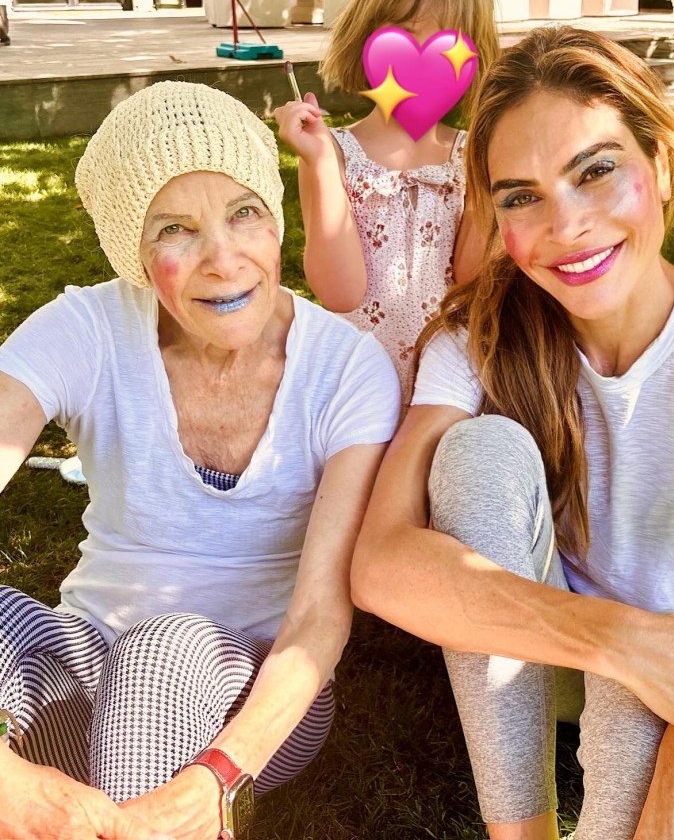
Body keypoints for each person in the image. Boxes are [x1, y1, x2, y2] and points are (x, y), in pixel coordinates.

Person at [351, 26, 674, 840]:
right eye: (521, 195)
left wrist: (648, 657)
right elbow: (380, 561)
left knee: (650, 671)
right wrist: (623, 641)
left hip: (670, 676)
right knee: (480, 451)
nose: (565, 224)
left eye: (596, 170)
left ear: (662, 165)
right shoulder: (479, 331)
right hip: (531, 648)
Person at [0, 81, 400, 840]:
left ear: (275, 219)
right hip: (84, 658)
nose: (224, 258)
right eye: (176, 229)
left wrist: (218, 776)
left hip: (252, 698)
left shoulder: (346, 368)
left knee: (163, 650)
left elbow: (319, 615)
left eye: (244, 211)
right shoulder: (88, 325)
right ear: (138, 257)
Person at [274, 0, 500, 404]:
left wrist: (486, 172)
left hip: (449, 383)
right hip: (358, 385)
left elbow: (472, 280)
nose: (420, 57)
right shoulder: (332, 153)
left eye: (445, 41)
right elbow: (339, 293)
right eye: (403, 31)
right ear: (367, 35)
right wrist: (319, 165)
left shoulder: (468, 158)